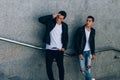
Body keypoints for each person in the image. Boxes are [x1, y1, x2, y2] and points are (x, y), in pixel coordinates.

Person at [38, 11, 68, 80]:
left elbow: (66, 37)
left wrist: (64, 47)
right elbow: (40, 19)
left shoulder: (64, 26)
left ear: (63, 19)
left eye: (61, 18)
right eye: (58, 17)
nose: (58, 19)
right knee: (48, 67)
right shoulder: (50, 22)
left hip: (59, 50)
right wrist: (52, 16)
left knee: (60, 67)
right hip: (49, 49)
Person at [75, 16, 96, 80]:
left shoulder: (93, 31)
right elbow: (76, 42)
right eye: (87, 20)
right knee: (83, 69)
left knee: (88, 68)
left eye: (89, 21)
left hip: (89, 51)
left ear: (92, 22)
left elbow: (93, 42)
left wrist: (93, 53)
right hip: (82, 52)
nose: (87, 22)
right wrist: (79, 53)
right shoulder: (80, 30)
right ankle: (90, 79)